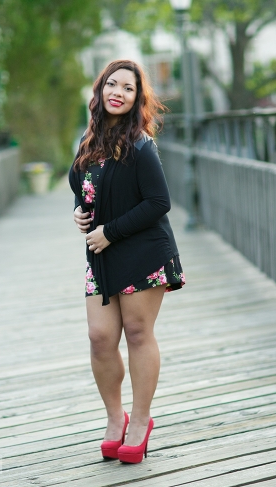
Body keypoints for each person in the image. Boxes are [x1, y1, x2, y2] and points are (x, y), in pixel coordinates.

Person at [69, 60, 185, 464]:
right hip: (101, 254)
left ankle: (139, 420)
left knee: (137, 333)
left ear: (138, 99)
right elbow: (86, 190)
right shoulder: (89, 141)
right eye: (112, 85)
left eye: (128, 88)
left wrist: (109, 231)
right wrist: (79, 213)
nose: (118, 92)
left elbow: (159, 202)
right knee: (100, 337)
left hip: (143, 250)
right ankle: (114, 417)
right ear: (100, 90)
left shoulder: (140, 144)